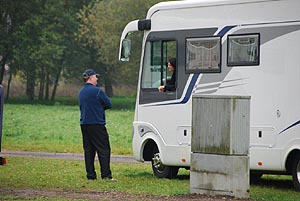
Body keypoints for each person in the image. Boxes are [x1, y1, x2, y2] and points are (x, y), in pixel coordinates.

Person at [78, 69, 115, 181]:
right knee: (103, 149)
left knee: (89, 150)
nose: (97, 79)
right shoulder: (97, 91)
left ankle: (90, 175)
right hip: (97, 124)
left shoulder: (81, 92)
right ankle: (106, 175)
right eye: (95, 77)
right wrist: (100, 108)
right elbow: (109, 104)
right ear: (90, 77)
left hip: (84, 123)